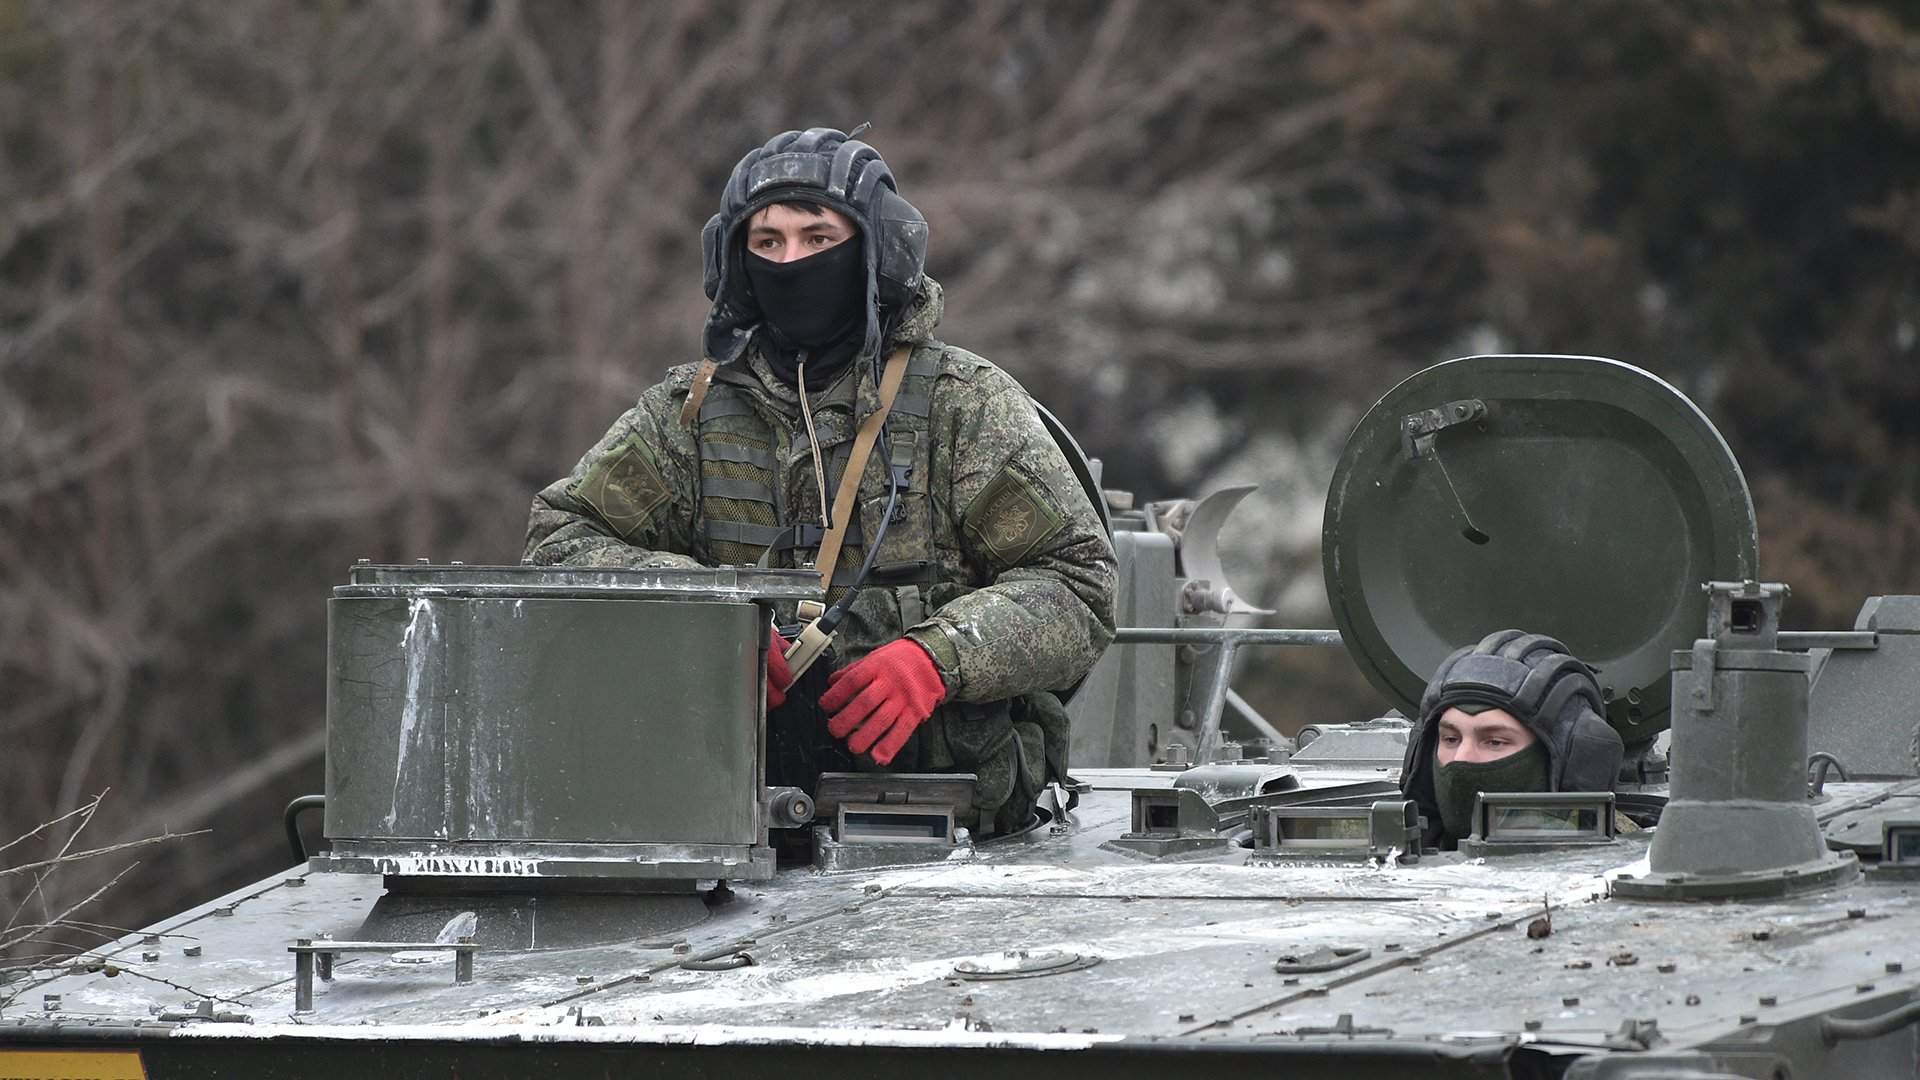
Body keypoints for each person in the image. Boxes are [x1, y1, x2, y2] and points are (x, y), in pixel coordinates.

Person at [524, 127, 1117, 836]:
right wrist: (709, 619)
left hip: (953, 837)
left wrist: (939, 657)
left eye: (818, 238)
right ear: (735, 261)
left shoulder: (963, 403)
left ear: (875, 251)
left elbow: (1078, 584)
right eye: (767, 242)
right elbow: (560, 542)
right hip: (725, 829)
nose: (792, 260)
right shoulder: (690, 415)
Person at [1399, 630, 1625, 848]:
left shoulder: (1633, 868)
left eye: (1494, 742)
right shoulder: (1391, 863)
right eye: (1450, 739)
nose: (1461, 758)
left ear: (1569, 763)